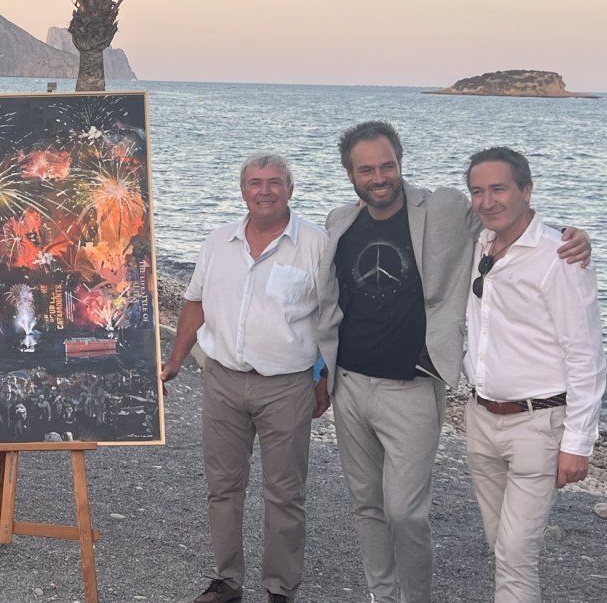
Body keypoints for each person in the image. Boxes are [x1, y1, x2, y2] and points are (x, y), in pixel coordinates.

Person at [315, 121, 590, 603]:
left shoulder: (443, 208)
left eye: (387, 166)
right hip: (350, 384)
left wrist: (572, 233)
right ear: (350, 175)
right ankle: (382, 595)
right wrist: (321, 371)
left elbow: (509, 217)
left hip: (413, 387)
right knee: (367, 506)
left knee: (406, 512)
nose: (379, 178)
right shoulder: (340, 221)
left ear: (401, 163)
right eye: (366, 170)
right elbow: (327, 299)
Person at [161, 155, 330, 603]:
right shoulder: (219, 241)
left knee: (285, 492)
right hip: (222, 380)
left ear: (290, 189)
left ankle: (280, 588)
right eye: (255, 182)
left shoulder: (316, 243)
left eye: (274, 182)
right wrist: (175, 360)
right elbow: (194, 302)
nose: (265, 191)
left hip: (287, 386)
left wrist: (325, 376)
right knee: (222, 486)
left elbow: (333, 318)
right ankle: (227, 580)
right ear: (242, 190)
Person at [461, 147, 604, 602]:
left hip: (538, 424)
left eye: (498, 189)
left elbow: (586, 354)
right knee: (500, 545)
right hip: (480, 418)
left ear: (527, 190)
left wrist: (578, 444)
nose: (487, 202)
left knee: (515, 554)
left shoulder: (559, 256)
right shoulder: (478, 242)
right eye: (477, 191)